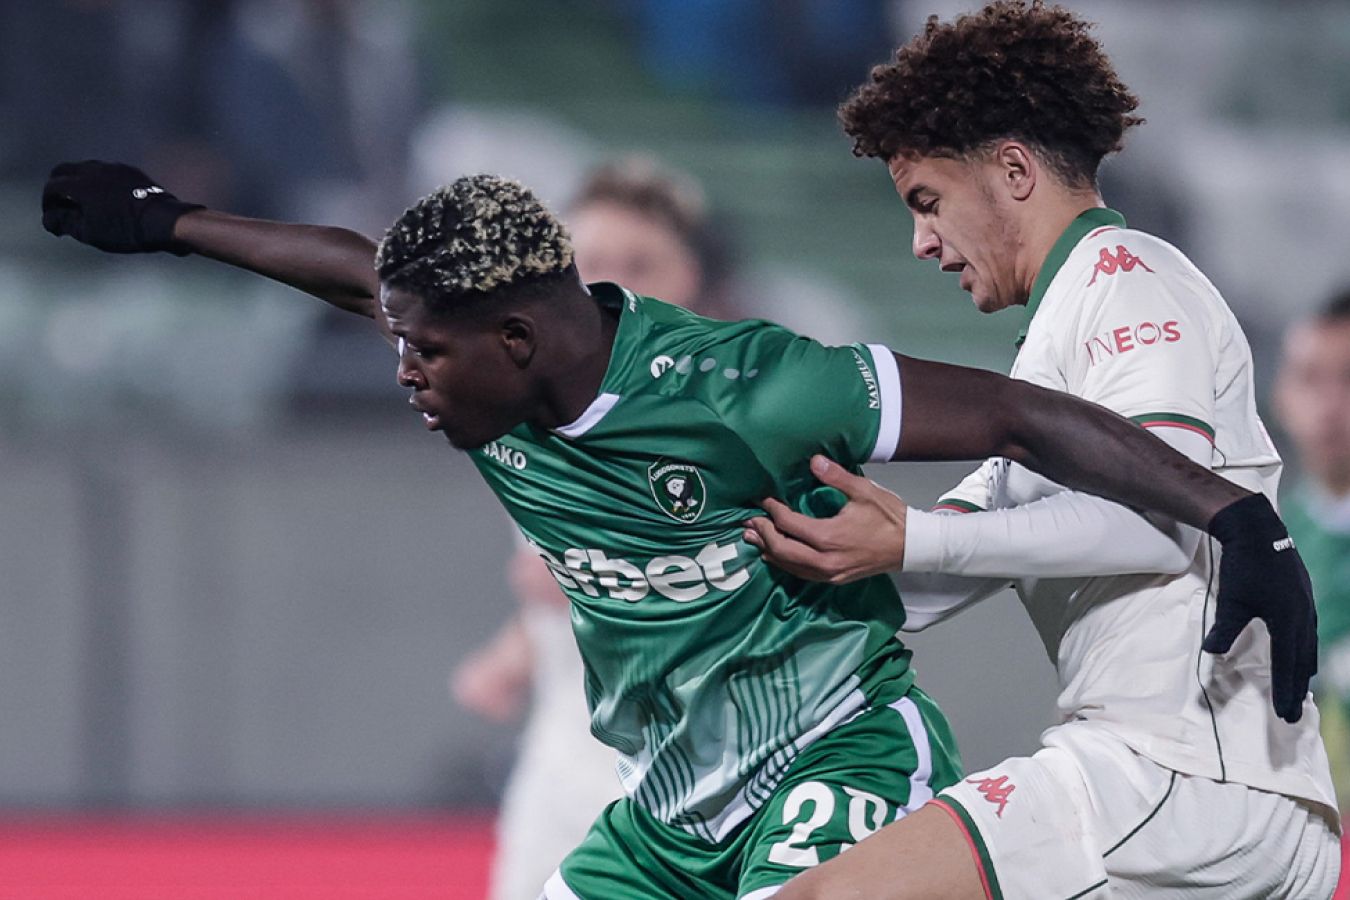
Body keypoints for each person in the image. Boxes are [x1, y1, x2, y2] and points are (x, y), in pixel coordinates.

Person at [42, 156, 1314, 899]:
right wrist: (168, 224)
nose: (406, 373)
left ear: (517, 340)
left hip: (836, 757)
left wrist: (1235, 515)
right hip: (667, 808)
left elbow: (1017, 413)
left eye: (424, 352)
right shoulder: (482, 355)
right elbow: (344, 264)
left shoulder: (748, 389)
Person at [740, 2, 1339, 897]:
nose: (921, 242)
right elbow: (934, 575)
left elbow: (1158, 525)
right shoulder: (1056, 353)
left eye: (928, 202)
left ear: (1014, 171)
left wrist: (914, 537)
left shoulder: (1130, 281)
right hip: (1202, 799)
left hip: (1183, 783)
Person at [450, 158, 741, 900]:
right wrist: (514, 652)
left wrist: (614, 568)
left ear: (689, 276)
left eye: (640, 264)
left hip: (698, 777)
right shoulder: (524, 419)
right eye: (589, 265)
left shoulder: (743, 411)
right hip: (558, 765)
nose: (612, 285)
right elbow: (553, 595)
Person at [1276, 290, 1350, 814]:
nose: (1329, 406)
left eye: (1349, 379)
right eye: (1309, 379)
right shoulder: (1254, 545)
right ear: (1280, 395)